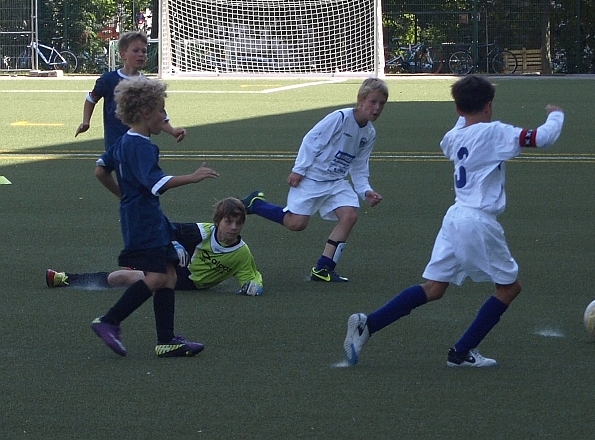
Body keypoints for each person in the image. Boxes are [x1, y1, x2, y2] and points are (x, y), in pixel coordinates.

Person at [341, 75, 565, 368]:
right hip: (478, 222)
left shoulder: (453, 137)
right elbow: (542, 138)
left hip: (455, 217)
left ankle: (368, 324)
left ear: (458, 109)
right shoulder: (495, 132)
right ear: (489, 105)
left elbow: (461, 126)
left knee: (433, 288)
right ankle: (461, 352)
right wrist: (556, 114)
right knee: (509, 288)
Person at [90, 77, 219, 358]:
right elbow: (156, 184)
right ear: (146, 112)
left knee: (170, 274)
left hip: (142, 217)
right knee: (158, 276)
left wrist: (124, 196)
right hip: (145, 220)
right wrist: (193, 177)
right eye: (161, 110)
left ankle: (167, 340)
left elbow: (101, 170)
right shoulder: (144, 146)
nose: (164, 116)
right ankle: (110, 320)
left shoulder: (123, 141)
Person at [242, 77, 387, 283]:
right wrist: (299, 170)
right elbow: (311, 140)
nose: (377, 108)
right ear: (361, 100)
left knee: (349, 216)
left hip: (336, 182)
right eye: (373, 101)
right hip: (312, 178)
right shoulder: (340, 118)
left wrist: (366, 191)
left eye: (382, 103)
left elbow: (359, 166)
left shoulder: (369, 133)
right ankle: (256, 204)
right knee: (296, 224)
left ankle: (323, 268)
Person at [46, 197, 264, 296]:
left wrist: (254, 286)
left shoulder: (241, 253)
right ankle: (67, 278)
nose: (233, 227)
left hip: (187, 283)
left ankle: (138, 268)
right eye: (228, 222)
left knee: (122, 277)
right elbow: (165, 228)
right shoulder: (202, 231)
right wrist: (175, 243)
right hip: (172, 265)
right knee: (120, 277)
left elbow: (250, 277)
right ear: (217, 221)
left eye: (238, 223)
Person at [75, 31, 185, 149]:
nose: (141, 54)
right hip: (114, 145)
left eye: (144, 51)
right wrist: (86, 122)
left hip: (138, 145)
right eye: (136, 51)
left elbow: (157, 113)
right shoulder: (108, 80)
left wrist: (173, 131)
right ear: (123, 55)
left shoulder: (147, 85)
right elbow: (91, 99)